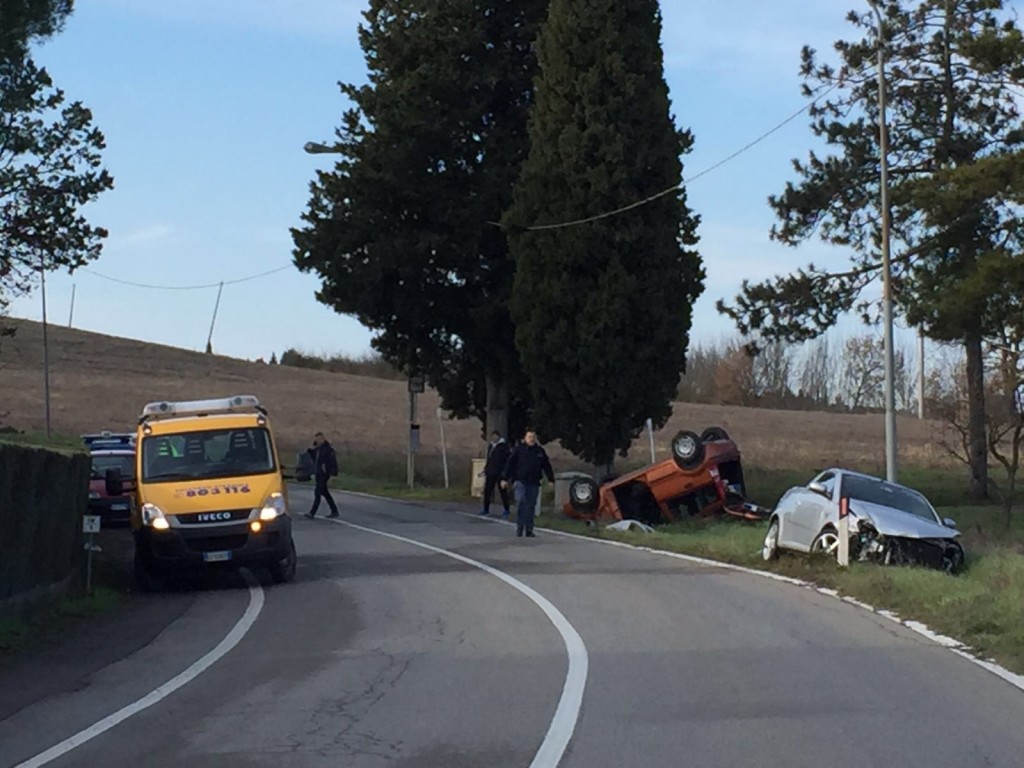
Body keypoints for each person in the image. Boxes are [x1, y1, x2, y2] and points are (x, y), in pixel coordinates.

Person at [501, 428, 554, 537]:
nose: (532, 439)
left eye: (533, 437)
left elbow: (546, 466)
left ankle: (529, 529)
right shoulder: (519, 450)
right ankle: (520, 527)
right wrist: (504, 478)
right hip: (521, 481)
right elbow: (510, 464)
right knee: (521, 502)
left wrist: (551, 479)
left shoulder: (539, 451)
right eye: (529, 437)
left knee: (530, 506)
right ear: (525, 438)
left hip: (534, 482)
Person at [305, 432, 339, 518]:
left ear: (323, 438)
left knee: (318, 492)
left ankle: (312, 512)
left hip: (324, 474)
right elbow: (314, 458)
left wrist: (333, 474)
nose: (318, 440)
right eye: (317, 439)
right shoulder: (318, 449)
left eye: (319, 439)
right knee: (325, 493)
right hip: (318, 473)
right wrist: (310, 450)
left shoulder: (327, 449)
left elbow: (332, 462)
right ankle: (334, 510)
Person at [478, 430, 511, 518]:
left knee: (502, 491)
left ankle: (506, 509)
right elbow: (489, 459)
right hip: (490, 472)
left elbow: (507, 460)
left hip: (500, 472)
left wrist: (505, 473)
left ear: (499, 437)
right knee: (487, 491)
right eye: (493, 437)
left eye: (496, 437)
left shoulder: (504, 447)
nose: (494, 438)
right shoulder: (491, 446)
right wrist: (485, 469)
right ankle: (486, 509)